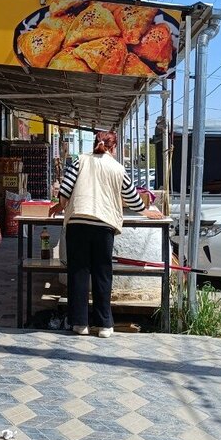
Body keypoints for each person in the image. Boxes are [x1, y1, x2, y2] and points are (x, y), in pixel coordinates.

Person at [50, 130, 156, 338]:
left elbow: (65, 189)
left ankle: (80, 323)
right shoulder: (117, 168)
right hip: (104, 225)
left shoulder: (80, 161)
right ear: (113, 148)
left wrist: (58, 207)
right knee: (102, 274)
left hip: (78, 223)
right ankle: (104, 325)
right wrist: (148, 212)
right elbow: (133, 199)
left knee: (79, 272)